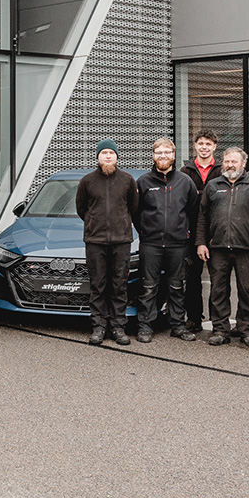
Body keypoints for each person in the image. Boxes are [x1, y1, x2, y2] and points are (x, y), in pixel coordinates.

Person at [195, 147, 249, 347]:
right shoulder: (213, 186)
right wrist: (201, 243)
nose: (230, 165)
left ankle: (247, 330)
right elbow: (202, 217)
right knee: (218, 291)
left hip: (247, 248)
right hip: (218, 248)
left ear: (243, 163)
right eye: (227, 161)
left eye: (234, 161)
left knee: (247, 291)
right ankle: (220, 330)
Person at [76, 139, 139, 346]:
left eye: (112, 153)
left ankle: (118, 327)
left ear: (117, 156)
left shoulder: (127, 180)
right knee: (98, 285)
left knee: (119, 285)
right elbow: (81, 209)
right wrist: (94, 223)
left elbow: (133, 207)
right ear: (98, 157)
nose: (108, 156)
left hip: (121, 241)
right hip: (95, 241)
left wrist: (121, 224)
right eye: (104, 153)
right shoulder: (87, 181)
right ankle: (99, 327)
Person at [135, 138, 198, 344]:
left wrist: (185, 234)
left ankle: (178, 326)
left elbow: (193, 211)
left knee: (177, 286)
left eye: (167, 152)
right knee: (148, 287)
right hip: (151, 244)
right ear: (153, 156)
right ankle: (145, 326)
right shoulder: (143, 182)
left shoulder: (185, 182)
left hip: (177, 244)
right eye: (159, 153)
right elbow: (135, 212)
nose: (163, 156)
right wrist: (145, 231)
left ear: (173, 155)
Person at [179, 130, 218, 334]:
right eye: (201, 143)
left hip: (217, 232)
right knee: (193, 278)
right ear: (195, 145)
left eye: (208, 144)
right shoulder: (185, 171)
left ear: (214, 147)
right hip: (191, 232)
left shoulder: (221, 170)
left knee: (218, 279)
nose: (204, 147)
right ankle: (194, 318)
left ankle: (218, 320)